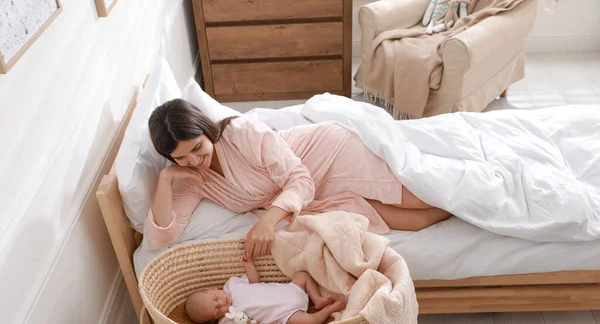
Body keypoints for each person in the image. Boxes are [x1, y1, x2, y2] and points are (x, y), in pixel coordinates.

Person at [146, 98, 451, 259]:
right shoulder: (189, 178)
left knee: (424, 197)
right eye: (181, 157)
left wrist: (267, 221)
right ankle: (465, 208)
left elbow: (299, 178)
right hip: (313, 198)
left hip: (326, 155)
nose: (195, 161)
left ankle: (470, 197)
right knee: (416, 221)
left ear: (204, 128)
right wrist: (165, 178)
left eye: (198, 148)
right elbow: (161, 237)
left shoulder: (240, 133)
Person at [185, 257, 345, 324]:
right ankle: (327, 311)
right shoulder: (226, 321)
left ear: (213, 289)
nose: (220, 304)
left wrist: (249, 266)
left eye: (215, 298)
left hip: (288, 290)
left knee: (303, 275)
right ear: (214, 318)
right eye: (216, 310)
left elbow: (254, 281)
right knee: (310, 321)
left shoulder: (232, 284)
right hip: (286, 314)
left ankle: (316, 300)